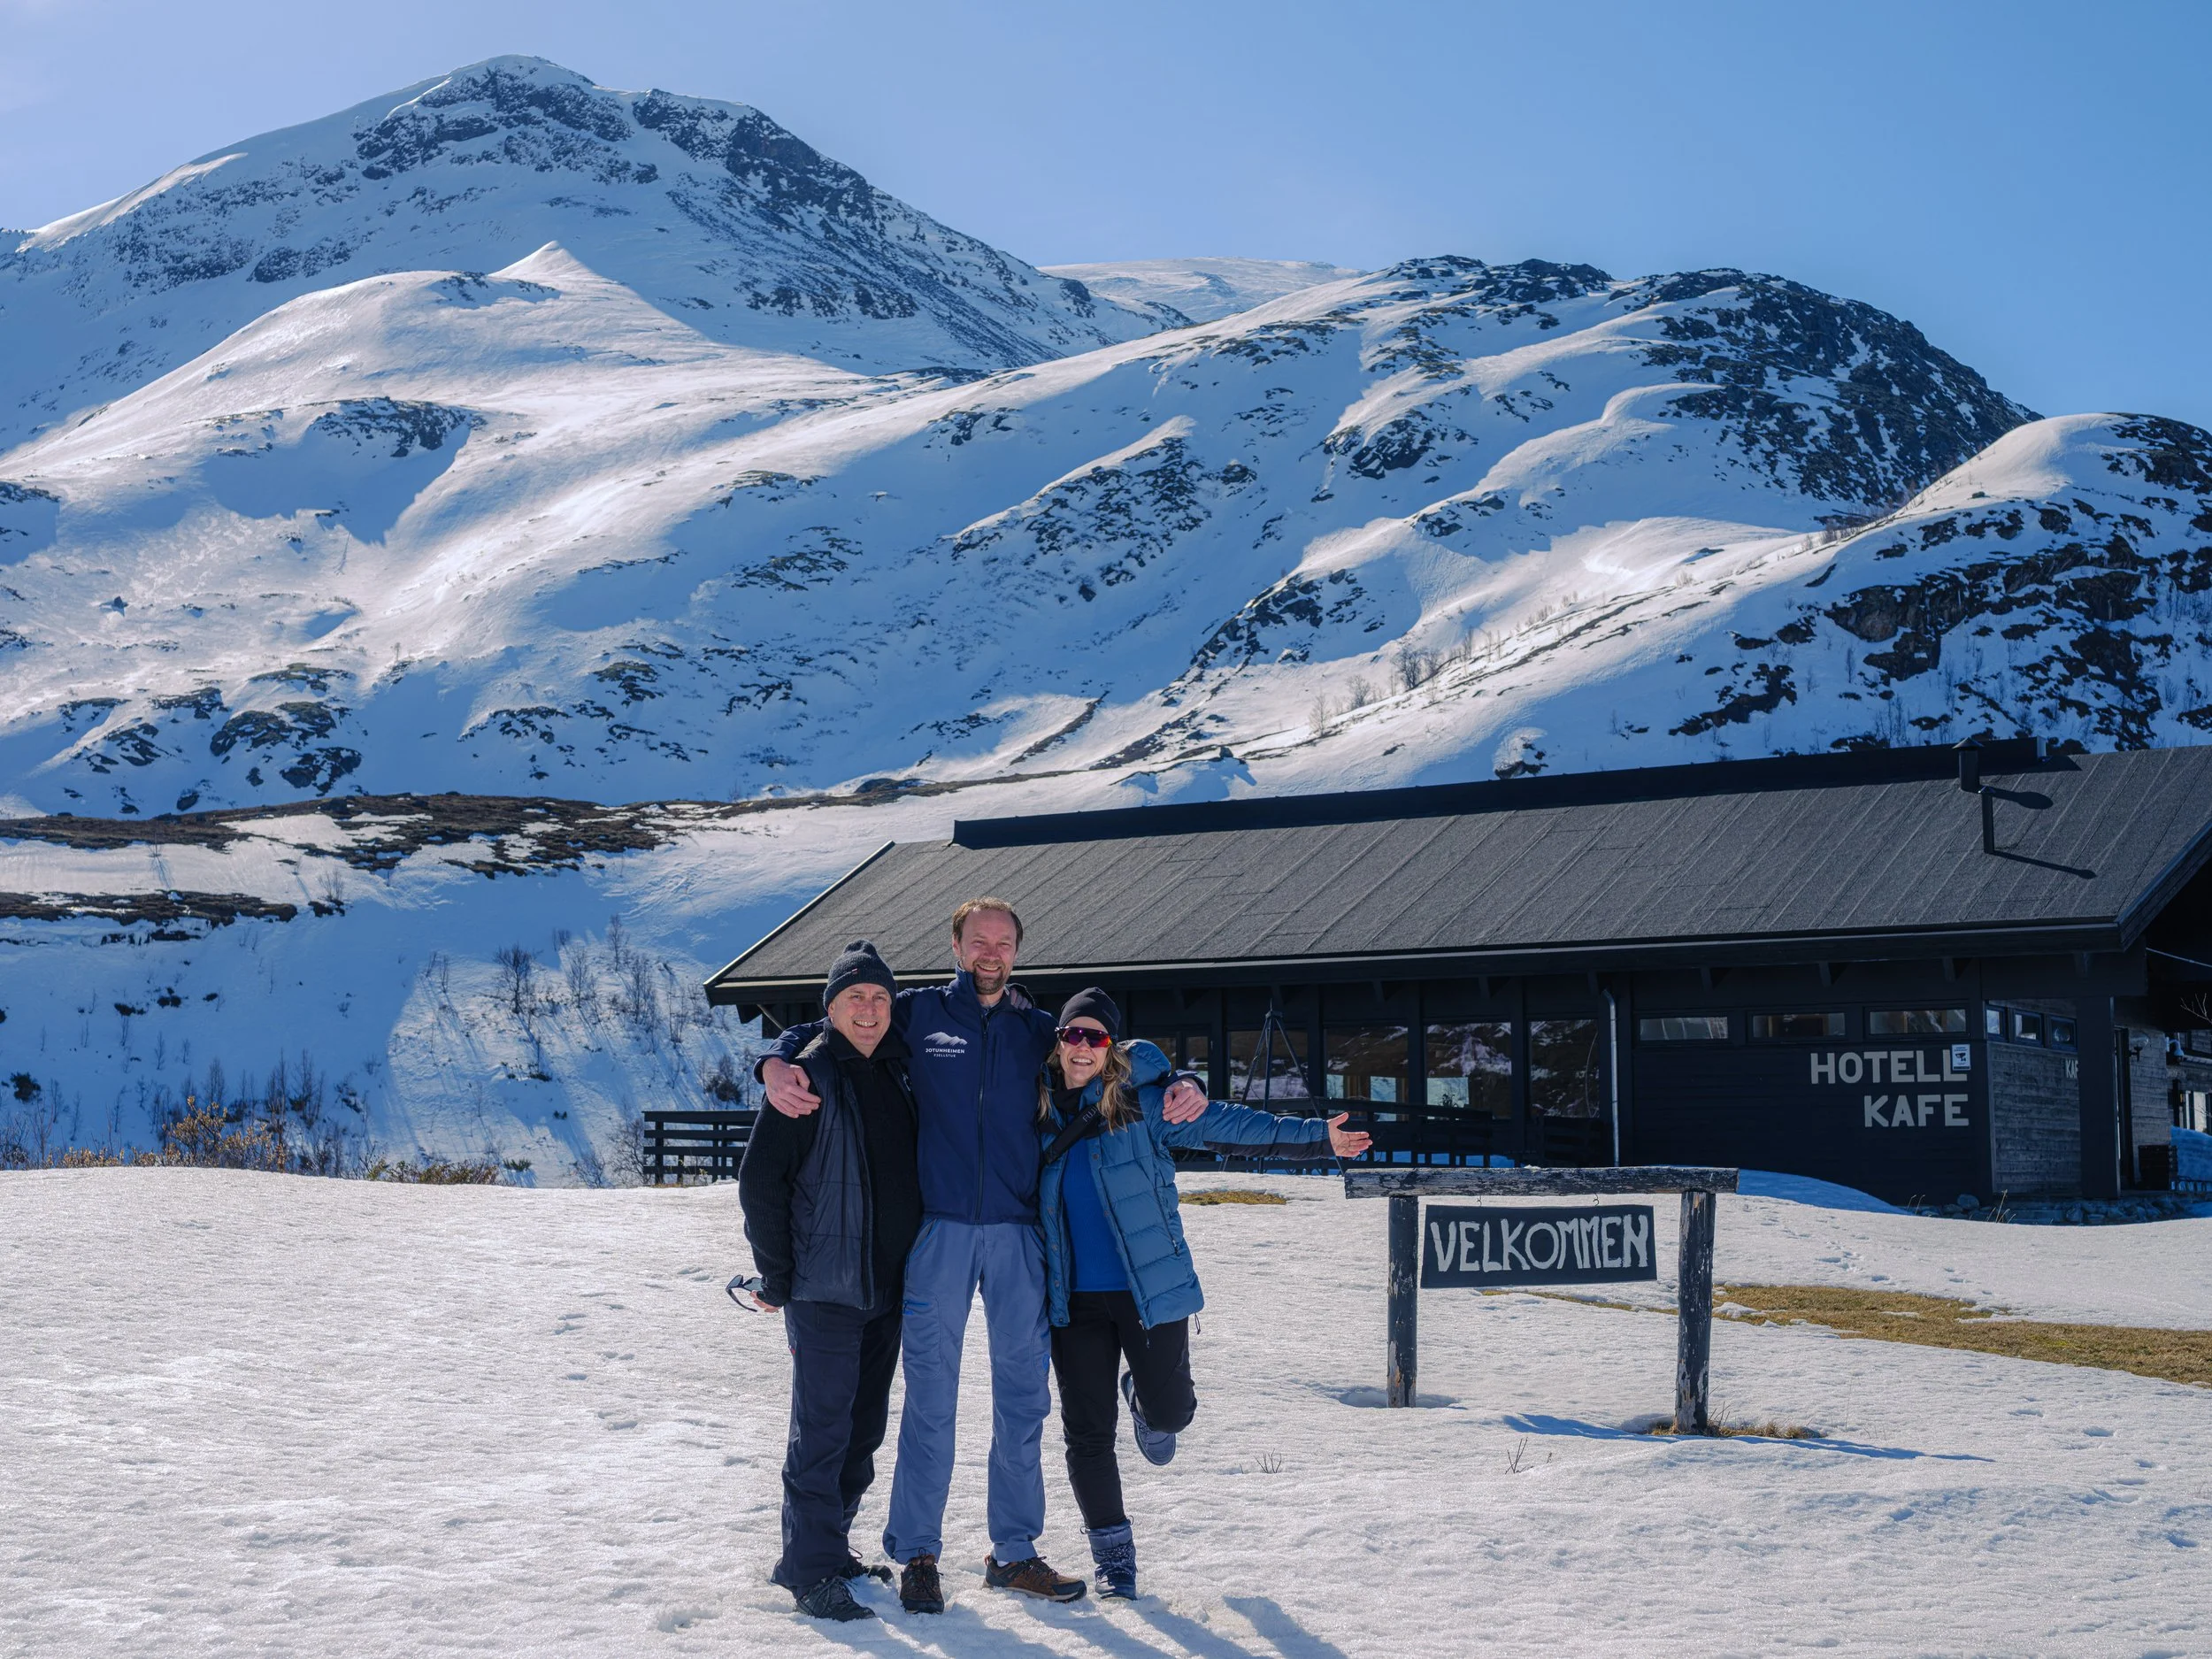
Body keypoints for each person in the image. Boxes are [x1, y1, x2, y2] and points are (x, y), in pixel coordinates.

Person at [757, 898, 1210, 1612]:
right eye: (978, 940)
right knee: (930, 1400)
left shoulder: (1039, 1031)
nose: (990, 952)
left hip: (1020, 1234)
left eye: (1003, 942)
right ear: (956, 945)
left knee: (1023, 1400)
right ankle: (918, 1553)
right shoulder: (918, 1014)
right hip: (937, 1232)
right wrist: (773, 1061)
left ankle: (1014, 1551)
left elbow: (1123, 1055)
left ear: (1017, 952)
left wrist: (1184, 1079)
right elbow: (835, 1024)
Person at [1036, 988, 1371, 1600]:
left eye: (1095, 1036)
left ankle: (1145, 1400)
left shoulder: (1147, 1103)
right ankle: (1114, 1556)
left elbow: (1235, 1126)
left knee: (1172, 1415)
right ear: (1058, 1041)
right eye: (1072, 1034)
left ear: (1111, 1048)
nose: (1082, 1047)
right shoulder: (1034, 1108)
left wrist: (1320, 1137)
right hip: (1072, 1300)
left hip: (1150, 1290)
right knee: (1086, 1432)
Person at [737, 940, 921, 1623]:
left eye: (879, 997)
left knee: (862, 1430)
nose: (868, 1009)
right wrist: (779, 1275)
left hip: (886, 1290)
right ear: (831, 1008)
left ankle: (826, 1547)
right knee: (820, 1435)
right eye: (854, 997)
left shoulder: (900, 1067)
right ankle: (809, 1570)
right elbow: (761, 1180)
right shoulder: (808, 1074)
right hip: (824, 1291)